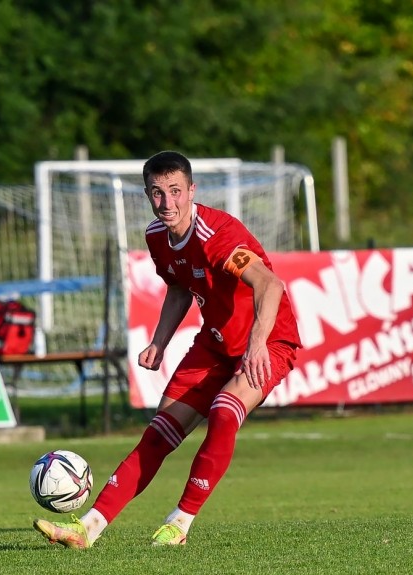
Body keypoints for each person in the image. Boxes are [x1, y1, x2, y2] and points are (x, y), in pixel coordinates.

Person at [34, 150, 301, 548]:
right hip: (215, 343)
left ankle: (180, 522)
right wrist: (159, 341)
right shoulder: (157, 236)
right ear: (147, 194)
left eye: (176, 190)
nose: (167, 202)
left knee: (224, 411)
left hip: (268, 340)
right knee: (158, 435)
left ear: (192, 190)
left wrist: (257, 344)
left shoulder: (217, 235)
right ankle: (87, 529)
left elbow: (269, 284)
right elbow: (178, 288)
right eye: (157, 192)